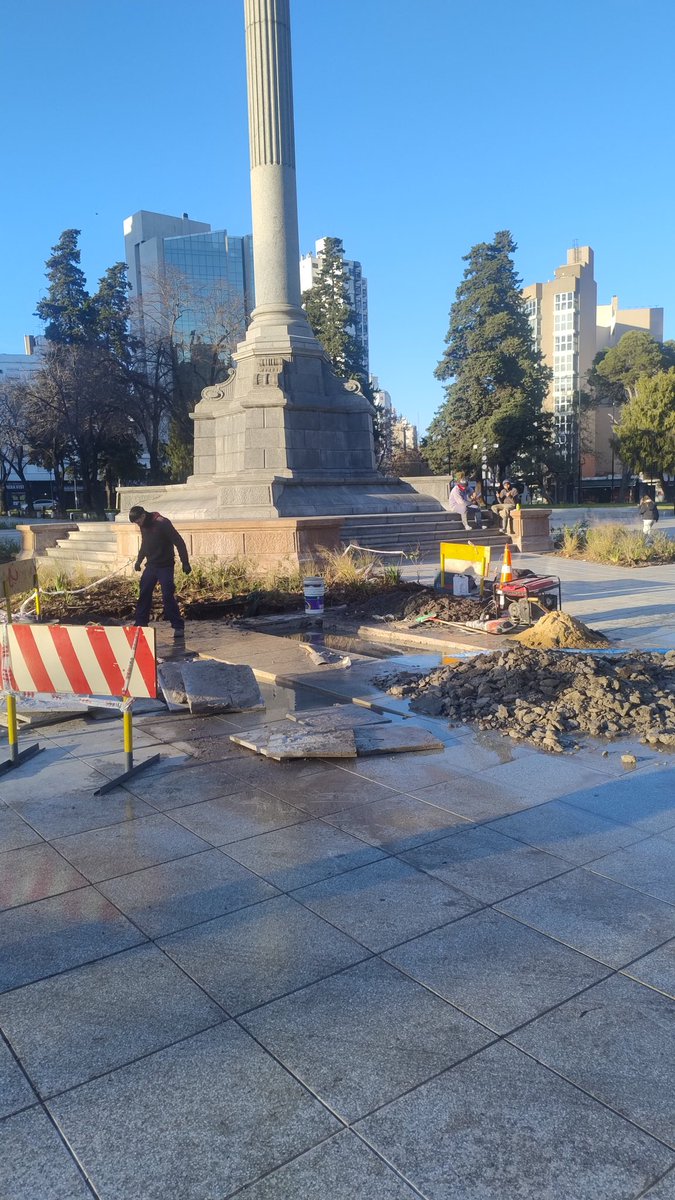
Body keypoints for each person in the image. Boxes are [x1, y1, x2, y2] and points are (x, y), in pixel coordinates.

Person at [129, 506, 191, 639]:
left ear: (143, 515)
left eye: (138, 521)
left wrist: (185, 562)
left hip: (165, 566)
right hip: (151, 566)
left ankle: (178, 626)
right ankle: (141, 623)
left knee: (167, 595)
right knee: (144, 592)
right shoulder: (143, 525)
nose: (138, 524)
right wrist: (139, 561)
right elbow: (145, 544)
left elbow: (179, 542)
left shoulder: (163, 523)